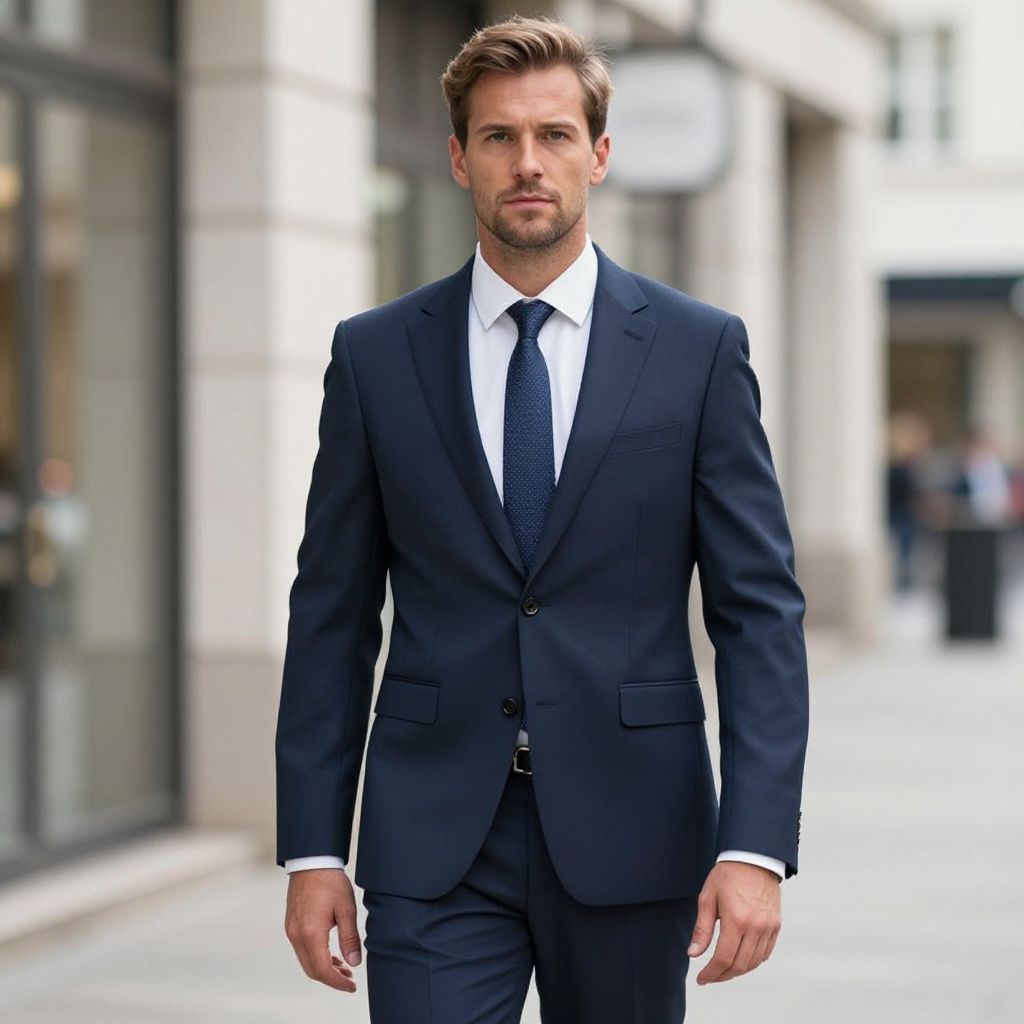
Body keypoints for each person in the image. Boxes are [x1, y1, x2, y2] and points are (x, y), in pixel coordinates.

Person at [275, 15, 809, 1022]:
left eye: (555, 134)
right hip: (432, 839)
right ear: (457, 158)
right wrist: (312, 849)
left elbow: (759, 614)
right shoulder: (376, 357)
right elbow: (331, 616)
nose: (528, 162)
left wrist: (754, 843)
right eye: (499, 136)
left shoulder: (697, 351)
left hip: (635, 827)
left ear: (598, 154)